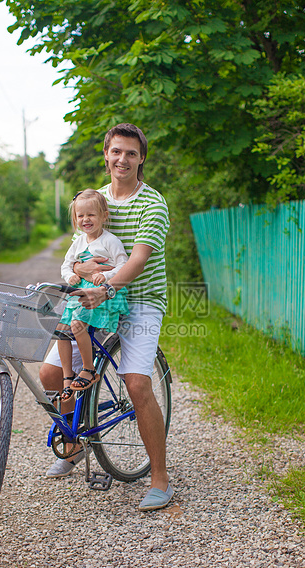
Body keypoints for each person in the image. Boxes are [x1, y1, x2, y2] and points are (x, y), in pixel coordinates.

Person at [40, 123, 173, 511]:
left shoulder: (153, 203)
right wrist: (78, 276)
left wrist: (108, 287)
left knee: (135, 382)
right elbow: (78, 253)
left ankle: (160, 478)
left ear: (141, 158)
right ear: (106, 154)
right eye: (116, 151)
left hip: (141, 299)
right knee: (50, 374)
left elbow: (138, 258)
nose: (123, 159)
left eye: (131, 153)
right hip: (93, 299)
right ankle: (74, 444)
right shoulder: (95, 200)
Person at [57, 189, 129, 401]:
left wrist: (106, 278)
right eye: (81, 216)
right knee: (61, 329)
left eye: (91, 215)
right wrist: (70, 275)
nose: (85, 220)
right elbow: (66, 265)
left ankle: (89, 370)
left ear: (103, 216)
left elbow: (123, 265)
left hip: (102, 295)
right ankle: (67, 377)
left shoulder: (110, 241)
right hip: (80, 293)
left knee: (78, 325)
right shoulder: (78, 242)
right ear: (75, 219)